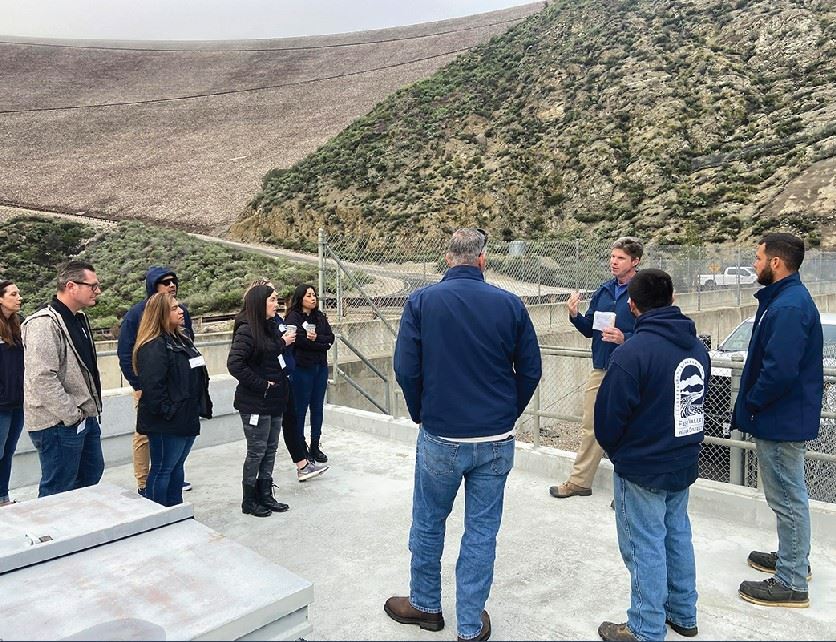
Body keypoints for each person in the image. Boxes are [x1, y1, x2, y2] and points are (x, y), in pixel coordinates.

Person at [385, 228, 542, 642]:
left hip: (441, 437)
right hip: (495, 440)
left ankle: (425, 605)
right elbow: (530, 370)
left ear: (447, 258)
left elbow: (406, 368)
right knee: (481, 531)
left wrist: (422, 411)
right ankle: (470, 625)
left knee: (428, 521)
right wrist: (507, 413)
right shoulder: (510, 304)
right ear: (483, 260)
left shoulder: (421, 302)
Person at [593, 269, 709, 642]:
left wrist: (619, 453)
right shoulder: (697, 348)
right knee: (676, 535)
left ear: (632, 306)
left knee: (644, 545)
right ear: (673, 300)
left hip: (642, 467)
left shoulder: (632, 353)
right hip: (681, 461)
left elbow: (609, 419)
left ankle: (645, 626)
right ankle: (682, 613)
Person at [734, 233, 822, 608]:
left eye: (757, 258)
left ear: (776, 263)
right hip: (781, 416)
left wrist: (752, 403)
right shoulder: (784, 300)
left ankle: (791, 582)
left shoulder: (788, 307)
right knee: (787, 495)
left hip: (779, 418)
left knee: (787, 497)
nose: (753, 264)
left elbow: (779, 370)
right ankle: (793, 560)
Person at [550, 237, 643, 499]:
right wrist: (574, 315)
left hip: (632, 371)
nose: (614, 262)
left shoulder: (645, 291)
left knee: (631, 428)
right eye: (612, 257)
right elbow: (590, 329)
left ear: (635, 261)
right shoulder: (603, 290)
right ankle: (580, 482)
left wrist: (625, 338)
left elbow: (653, 331)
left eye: (621, 258)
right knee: (590, 425)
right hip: (602, 367)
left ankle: (629, 492)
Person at [22, 260, 104, 497]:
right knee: (58, 490)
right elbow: (42, 378)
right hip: (57, 424)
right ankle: (51, 534)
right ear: (71, 286)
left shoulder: (79, 320)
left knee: (90, 475)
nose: (97, 291)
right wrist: (72, 415)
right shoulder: (43, 324)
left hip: (84, 418)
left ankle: (77, 529)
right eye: (93, 286)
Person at [118, 267, 194, 496]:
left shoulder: (181, 314)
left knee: (171, 458)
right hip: (150, 389)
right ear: (153, 286)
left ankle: (171, 482)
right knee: (145, 437)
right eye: (165, 282)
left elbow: (188, 346)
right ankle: (144, 483)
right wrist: (138, 385)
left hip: (180, 394)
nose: (171, 285)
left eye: (174, 281)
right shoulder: (137, 315)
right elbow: (125, 353)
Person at [246, 279, 329, 483]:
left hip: (288, 377)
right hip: (275, 384)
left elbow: (328, 339)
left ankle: (304, 459)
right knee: (262, 445)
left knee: (288, 426)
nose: (276, 301)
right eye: (272, 297)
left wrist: (316, 341)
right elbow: (294, 342)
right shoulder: (252, 326)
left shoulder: (278, 321)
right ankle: (254, 492)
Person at [134, 292, 211, 507]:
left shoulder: (181, 340)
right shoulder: (153, 346)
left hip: (185, 417)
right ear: (160, 314)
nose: (180, 311)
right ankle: (157, 515)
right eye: (174, 308)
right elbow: (153, 388)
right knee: (163, 468)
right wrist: (171, 412)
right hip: (168, 422)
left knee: (176, 466)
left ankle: (175, 511)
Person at [228, 285, 298, 518]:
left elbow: (272, 353)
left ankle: (265, 493)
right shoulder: (247, 330)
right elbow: (235, 364)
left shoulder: (270, 327)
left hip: (276, 400)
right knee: (256, 450)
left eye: (277, 299)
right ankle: (249, 499)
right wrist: (262, 384)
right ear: (259, 303)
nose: (276, 304)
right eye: (272, 299)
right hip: (255, 402)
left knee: (270, 449)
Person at [285, 284, 334, 464]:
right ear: (301, 298)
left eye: (314, 295)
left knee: (317, 407)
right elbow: (297, 340)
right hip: (302, 368)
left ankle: (315, 445)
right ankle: (300, 447)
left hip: (319, 368)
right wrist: (319, 343)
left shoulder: (319, 316)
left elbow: (330, 338)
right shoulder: (293, 317)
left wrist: (317, 340)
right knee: (300, 409)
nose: (313, 298)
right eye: (308, 296)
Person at [0, 281, 24, 506]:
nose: (19, 298)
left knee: (8, 451)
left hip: (17, 402)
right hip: (1, 404)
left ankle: (3, 498)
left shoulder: (18, 326)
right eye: (13, 294)